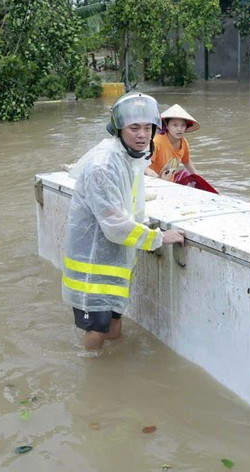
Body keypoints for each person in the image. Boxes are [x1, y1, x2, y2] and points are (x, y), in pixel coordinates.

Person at [62, 92, 184, 352]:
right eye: (134, 128)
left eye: (148, 128)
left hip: (115, 263)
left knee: (114, 323)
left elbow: (131, 204)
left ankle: (115, 370)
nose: (142, 135)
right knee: (97, 328)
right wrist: (159, 238)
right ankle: (94, 378)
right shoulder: (103, 165)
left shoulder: (131, 158)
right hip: (92, 265)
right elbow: (115, 225)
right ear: (118, 129)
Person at [147, 104, 200, 180]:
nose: (179, 129)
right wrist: (154, 176)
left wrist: (198, 178)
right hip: (153, 182)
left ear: (186, 127)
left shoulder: (184, 143)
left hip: (169, 182)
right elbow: (143, 167)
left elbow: (187, 162)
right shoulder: (157, 142)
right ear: (167, 126)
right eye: (175, 125)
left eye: (182, 125)